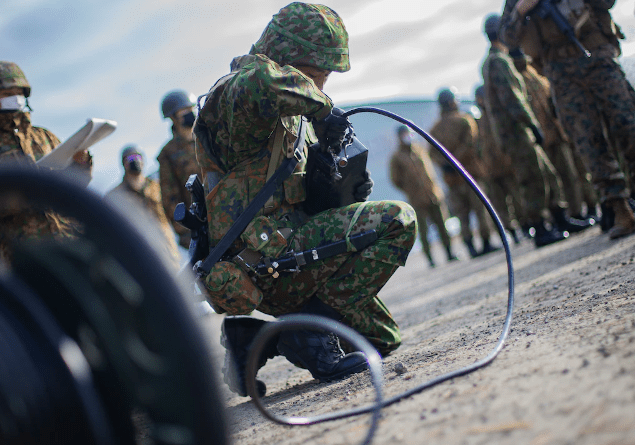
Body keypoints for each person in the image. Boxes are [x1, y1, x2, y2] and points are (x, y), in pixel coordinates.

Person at [194, 3, 417, 396]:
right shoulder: (237, 93)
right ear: (287, 55)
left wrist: (342, 193)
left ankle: (257, 338)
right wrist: (324, 109)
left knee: (382, 338)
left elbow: (299, 198)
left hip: (295, 251)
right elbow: (263, 80)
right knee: (399, 220)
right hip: (266, 259)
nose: (323, 85)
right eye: (319, 73)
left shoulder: (293, 117)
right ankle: (311, 331)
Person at [499, 0, 635, 240]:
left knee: (627, 124)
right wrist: (520, 10)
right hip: (560, 72)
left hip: (596, 52)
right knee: (588, 141)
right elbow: (508, 38)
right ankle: (620, 209)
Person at [0, 60, 93, 262]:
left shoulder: (44, 136)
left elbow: (75, 186)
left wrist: (80, 164)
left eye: (18, 93)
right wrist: (27, 194)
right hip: (23, 255)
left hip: (69, 242)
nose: (15, 99)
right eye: (7, 94)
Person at [482, 14, 584, 247]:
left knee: (546, 174)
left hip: (519, 131)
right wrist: (531, 124)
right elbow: (512, 99)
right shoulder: (498, 61)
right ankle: (540, 230)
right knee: (532, 179)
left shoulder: (498, 60)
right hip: (516, 132)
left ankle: (560, 219)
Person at [509, 47, 595, 227]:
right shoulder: (517, 80)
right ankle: (562, 217)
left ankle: (576, 213)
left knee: (570, 175)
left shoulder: (535, 75)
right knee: (551, 180)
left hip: (556, 134)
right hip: (541, 139)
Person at [429, 87, 501, 257]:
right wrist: (457, 162)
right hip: (470, 175)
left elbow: (433, 154)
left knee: (462, 215)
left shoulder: (435, 129)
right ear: (453, 101)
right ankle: (486, 243)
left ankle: (469, 246)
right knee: (479, 210)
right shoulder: (465, 120)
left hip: (452, 178)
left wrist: (447, 164)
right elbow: (471, 144)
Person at [390, 125, 456, 267]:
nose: (408, 136)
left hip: (433, 194)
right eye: (404, 134)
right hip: (417, 199)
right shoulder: (397, 157)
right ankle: (430, 259)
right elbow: (395, 180)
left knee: (442, 225)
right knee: (423, 231)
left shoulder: (420, 149)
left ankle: (450, 253)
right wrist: (410, 189)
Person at [106, 145, 181, 268]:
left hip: (168, 254)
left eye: (137, 157)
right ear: (124, 164)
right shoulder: (115, 196)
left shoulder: (158, 186)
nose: (135, 161)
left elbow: (172, 212)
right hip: (140, 258)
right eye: (130, 158)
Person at [474, 85, 526, 243]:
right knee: (499, 205)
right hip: (490, 170)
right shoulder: (478, 120)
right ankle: (511, 232)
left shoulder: (498, 114)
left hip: (507, 164)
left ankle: (526, 226)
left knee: (518, 197)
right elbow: (477, 147)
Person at [157, 89, 200, 249]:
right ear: (173, 117)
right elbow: (170, 199)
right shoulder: (168, 153)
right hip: (200, 224)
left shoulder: (207, 137)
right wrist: (186, 233)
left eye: (191, 109)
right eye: (184, 111)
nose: (190, 114)